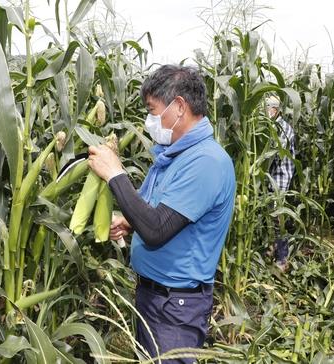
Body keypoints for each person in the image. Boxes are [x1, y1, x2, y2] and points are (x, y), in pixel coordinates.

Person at [87, 64, 236, 363]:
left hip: (175, 308)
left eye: (153, 110)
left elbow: (156, 230)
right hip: (155, 297)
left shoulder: (205, 162)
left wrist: (115, 174)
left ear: (179, 106)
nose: (149, 120)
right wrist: (130, 222)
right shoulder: (174, 154)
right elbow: (158, 210)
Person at [265, 96, 295, 271]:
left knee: (278, 218)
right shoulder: (272, 126)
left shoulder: (283, 128)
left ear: (275, 110)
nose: (266, 113)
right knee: (270, 217)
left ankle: (283, 259)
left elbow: (274, 153)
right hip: (270, 179)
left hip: (279, 181)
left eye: (268, 109)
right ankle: (271, 249)